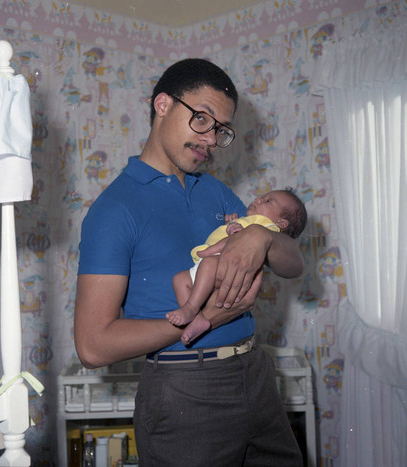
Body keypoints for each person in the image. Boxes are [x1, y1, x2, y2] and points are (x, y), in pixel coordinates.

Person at [74, 58, 304, 466]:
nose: (211, 139)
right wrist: (207, 318)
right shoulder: (114, 210)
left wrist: (264, 236)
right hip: (185, 391)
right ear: (162, 105)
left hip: (256, 375)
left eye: (220, 130)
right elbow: (93, 346)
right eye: (202, 119)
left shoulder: (217, 194)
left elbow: (293, 263)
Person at [167, 188, 307, 345]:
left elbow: (252, 240)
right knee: (179, 279)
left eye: (268, 201)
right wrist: (232, 224)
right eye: (262, 196)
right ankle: (198, 319)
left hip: (222, 264)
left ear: (281, 223)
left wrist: (241, 232)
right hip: (212, 263)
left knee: (207, 264)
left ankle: (191, 308)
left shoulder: (268, 226)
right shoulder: (248, 220)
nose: (258, 199)